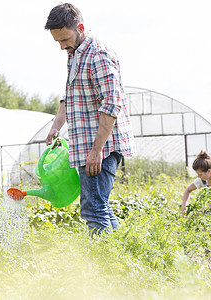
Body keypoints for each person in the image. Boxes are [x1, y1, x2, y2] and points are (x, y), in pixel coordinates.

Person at [44, 3, 135, 234]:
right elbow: (71, 94)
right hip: (88, 145)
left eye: (64, 39)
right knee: (99, 205)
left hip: (101, 146)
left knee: (93, 208)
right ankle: (118, 254)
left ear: (80, 27)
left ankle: (104, 264)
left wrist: (97, 151)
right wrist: (56, 127)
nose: (62, 46)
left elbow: (112, 103)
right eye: (58, 42)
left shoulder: (98, 54)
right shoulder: (75, 53)